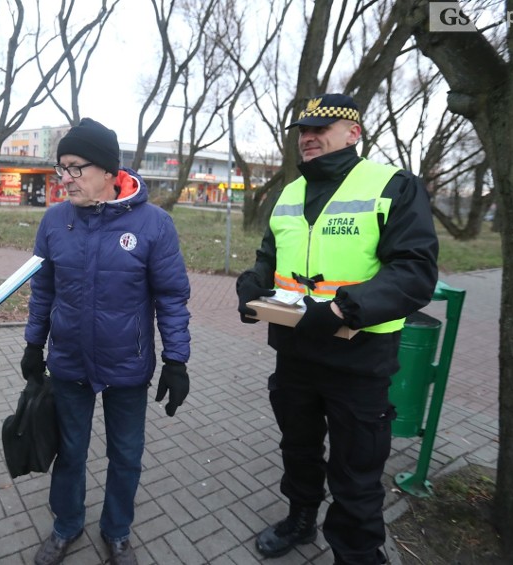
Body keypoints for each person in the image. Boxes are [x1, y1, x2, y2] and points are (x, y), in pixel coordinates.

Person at [235, 93, 439, 565]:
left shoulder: (393, 185)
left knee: (356, 471)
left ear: (354, 132)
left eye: (319, 128)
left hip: (360, 359)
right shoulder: (288, 193)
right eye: (303, 130)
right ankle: (301, 519)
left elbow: (413, 271)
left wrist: (345, 310)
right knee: (299, 449)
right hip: (295, 354)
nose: (308, 136)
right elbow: (271, 257)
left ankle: (357, 553)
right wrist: (252, 284)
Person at [22, 118, 191, 565]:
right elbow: (43, 289)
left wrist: (177, 359)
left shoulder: (155, 225)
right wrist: (33, 344)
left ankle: (116, 531)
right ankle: (66, 526)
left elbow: (172, 297)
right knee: (70, 451)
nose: (65, 180)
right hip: (70, 361)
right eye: (61, 169)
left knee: (126, 455)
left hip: (127, 365)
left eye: (75, 168)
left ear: (108, 171)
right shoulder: (56, 221)